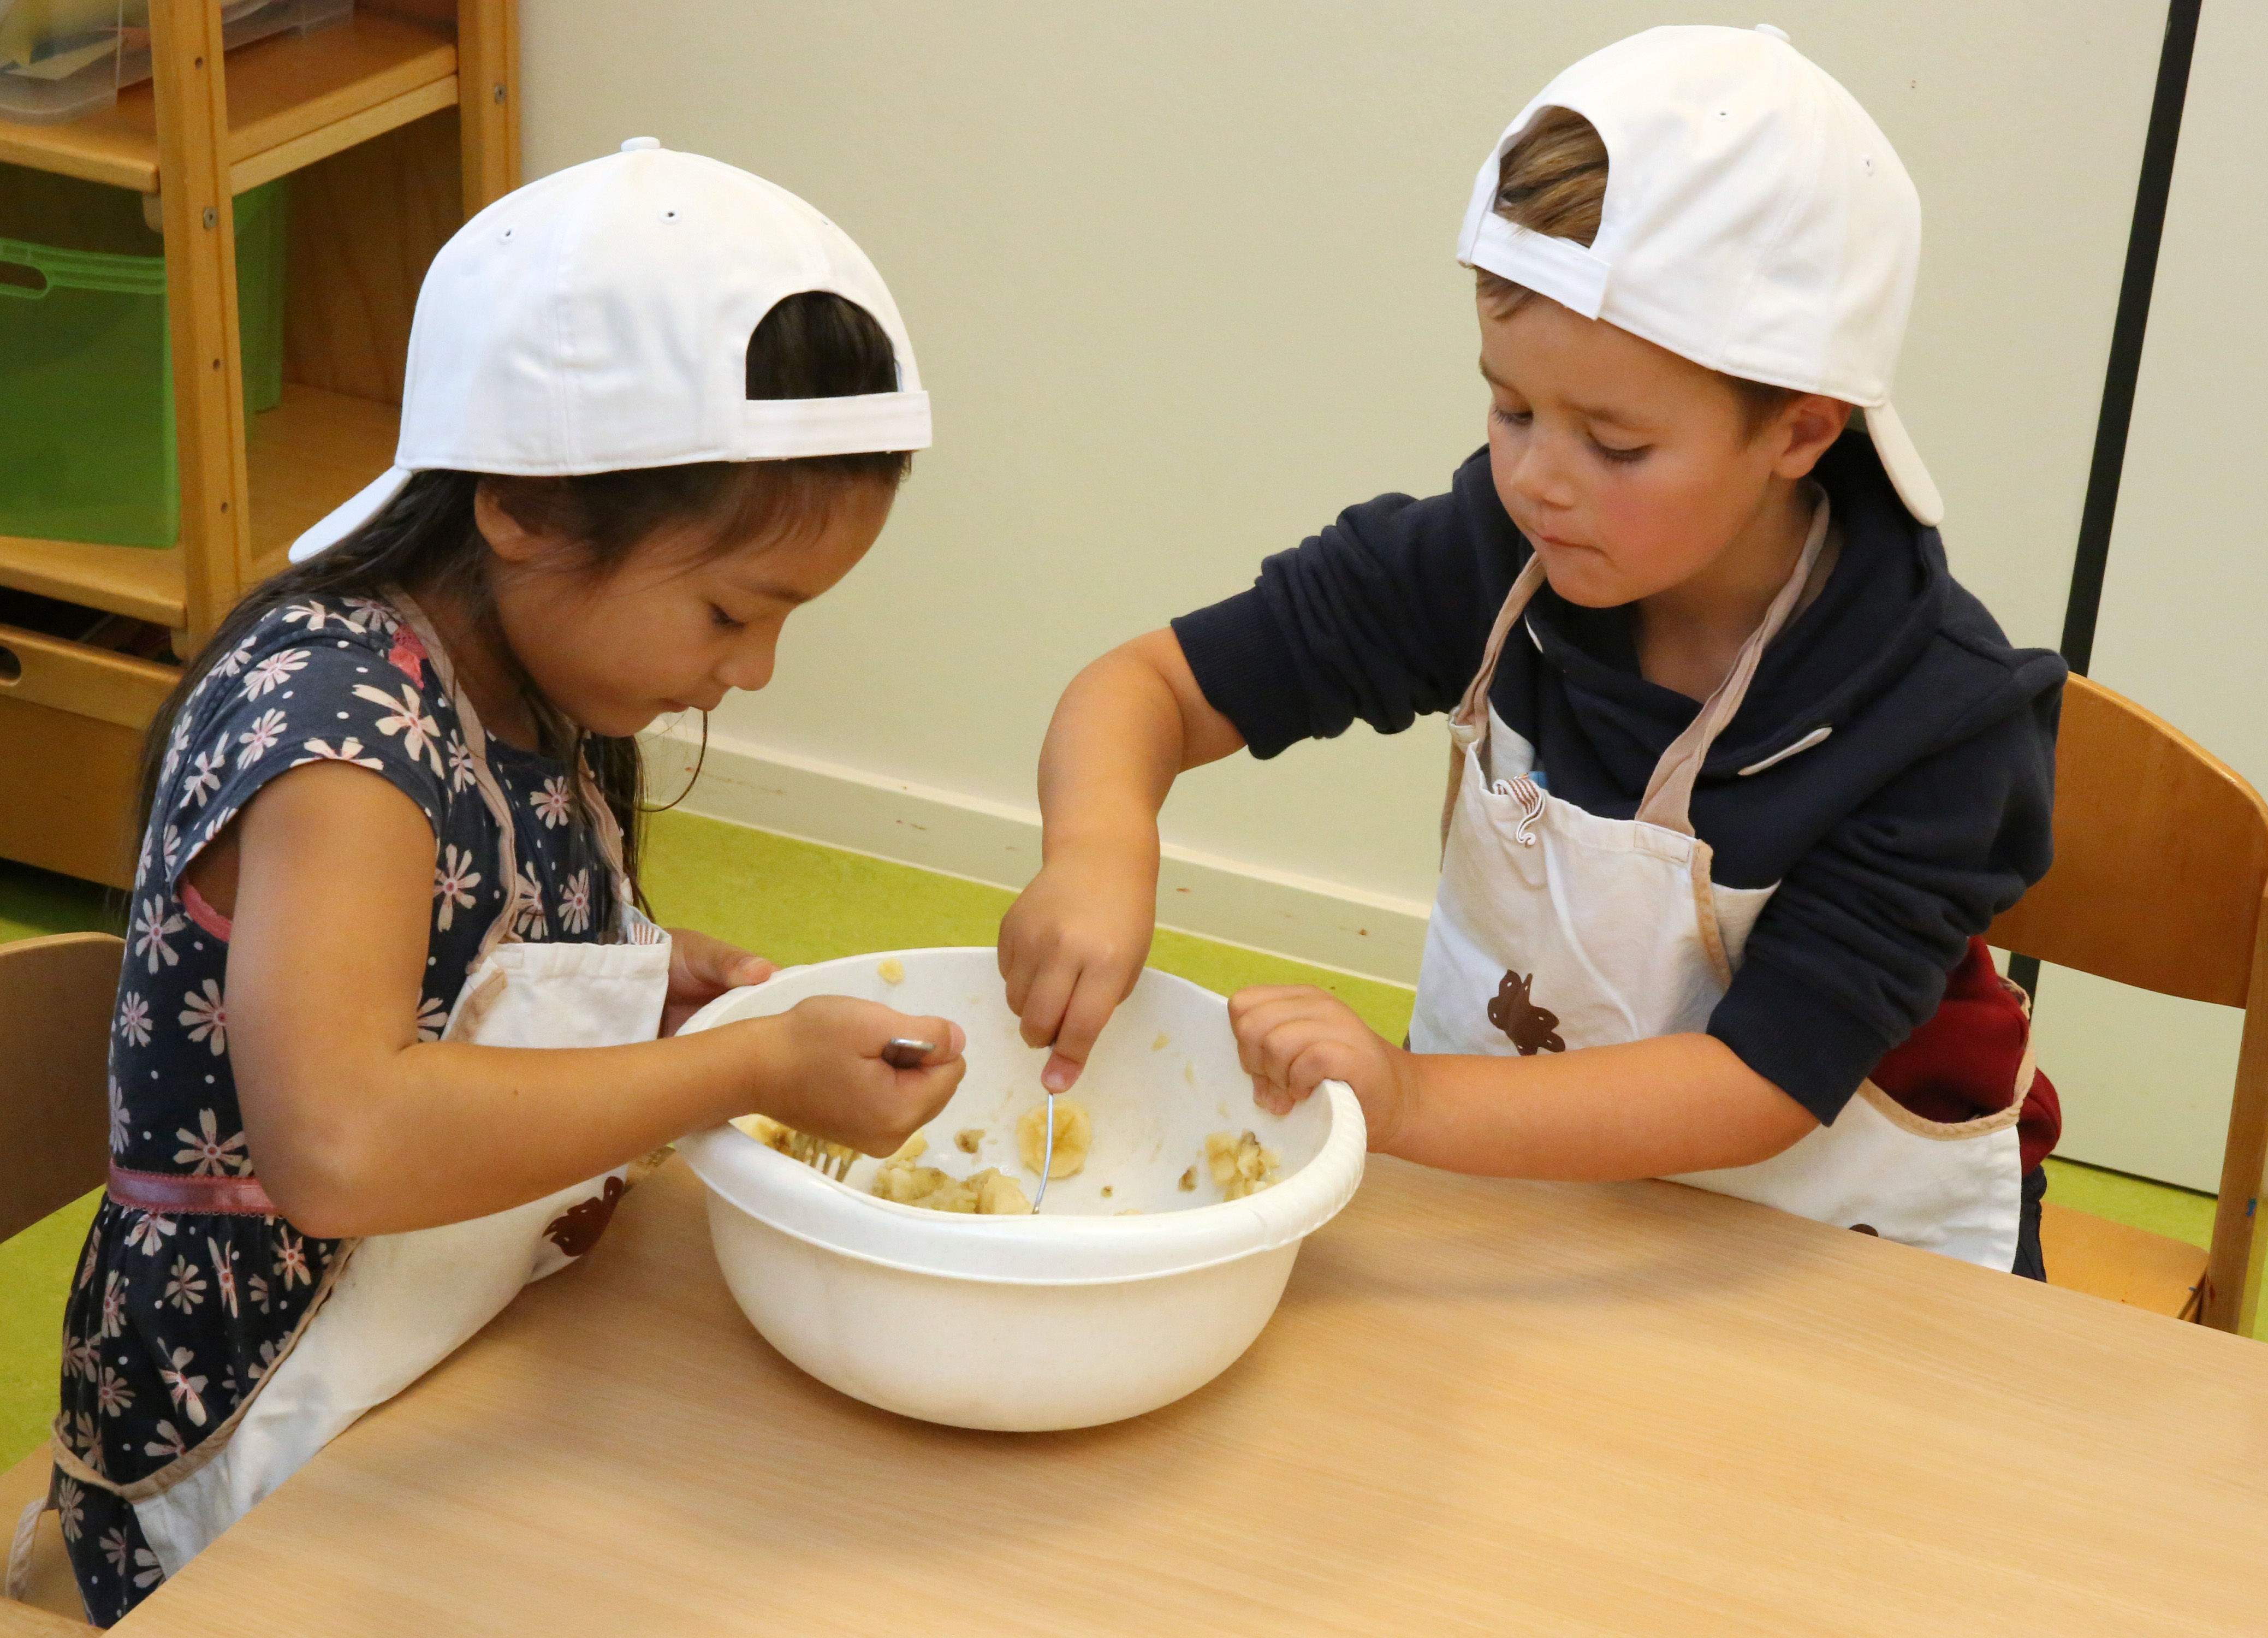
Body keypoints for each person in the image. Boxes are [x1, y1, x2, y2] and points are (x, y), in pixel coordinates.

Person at [25, 139, 964, 1624]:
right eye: (732, 611)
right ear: (524, 505)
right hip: (263, 1429)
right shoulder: (342, 741)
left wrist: (643, 982)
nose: (755, 670)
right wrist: (743, 1070)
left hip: (461, 1346)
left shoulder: (533, 670)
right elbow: (343, 1142)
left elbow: (459, 944)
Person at [999, 27, 2064, 1272]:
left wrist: (1411, 1098)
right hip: (1526, 1204)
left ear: (1801, 430)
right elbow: (1149, 689)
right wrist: (1098, 852)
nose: (1538, 480)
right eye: (1510, 407)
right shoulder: (1492, 556)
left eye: (1615, 445)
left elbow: (1762, 1082)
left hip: (1833, 1247)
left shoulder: (1938, 721)